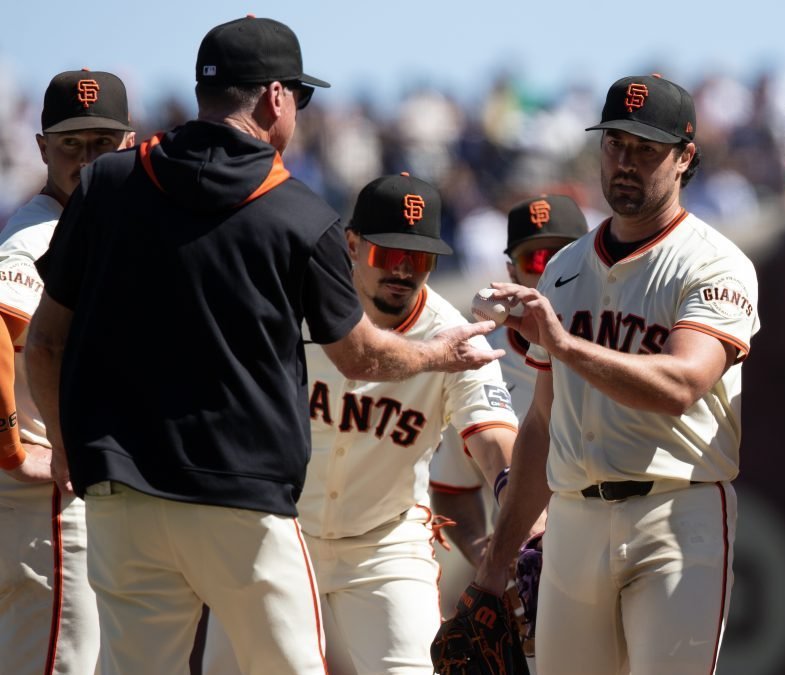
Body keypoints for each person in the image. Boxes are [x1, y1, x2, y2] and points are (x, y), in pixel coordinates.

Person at [24, 17, 499, 675]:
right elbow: (360, 356)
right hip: (240, 501)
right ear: (276, 97)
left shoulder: (107, 183)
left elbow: (44, 342)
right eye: (299, 99)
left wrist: (64, 446)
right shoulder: (298, 212)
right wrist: (438, 355)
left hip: (122, 492)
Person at [463, 73, 761, 674]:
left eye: (646, 150)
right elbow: (543, 422)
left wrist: (565, 344)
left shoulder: (714, 261)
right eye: (615, 145)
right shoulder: (567, 268)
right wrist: (495, 569)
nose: (626, 163)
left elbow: (683, 384)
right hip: (572, 520)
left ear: (685, 159)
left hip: (676, 516)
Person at [202, 173, 519, 674]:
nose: (401, 269)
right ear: (351, 244)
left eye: (417, 257)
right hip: (278, 533)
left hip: (385, 545)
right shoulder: (289, 308)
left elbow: (497, 445)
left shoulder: (457, 340)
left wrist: (524, 534)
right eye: (386, 252)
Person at [0, 68, 134, 675]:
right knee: (62, 662)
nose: (85, 158)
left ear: (128, 143)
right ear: (41, 148)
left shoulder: (102, 223)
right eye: (70, 144)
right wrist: (9, 449)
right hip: (45, 492)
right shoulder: (34, 235)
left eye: (101, 143)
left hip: (77, 486)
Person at [430, 193, 590, 569]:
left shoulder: (619, 341)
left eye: (563, 256)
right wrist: (484, 555)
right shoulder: (482, 360)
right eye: (535, 259)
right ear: (512, 272)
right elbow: (452, 487)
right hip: (538, 563)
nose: (550, 270)